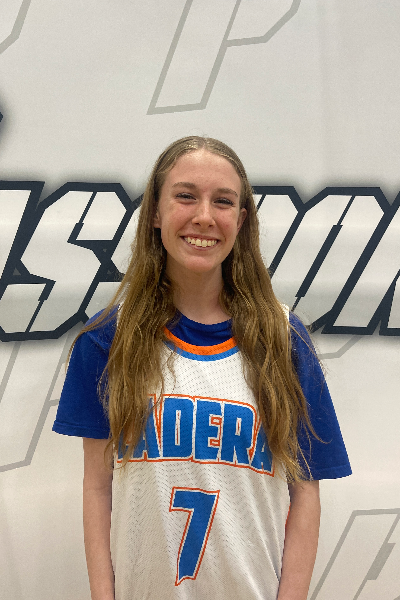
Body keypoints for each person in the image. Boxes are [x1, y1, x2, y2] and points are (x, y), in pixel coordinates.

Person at [53, 136, 351, 600]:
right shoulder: (107, 340)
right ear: (155, 212)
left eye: (223, 201)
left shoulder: (284, 340)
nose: (205, 217)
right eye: (186, 196)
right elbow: (97, 488)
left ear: (242, 221)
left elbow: (305, 493)